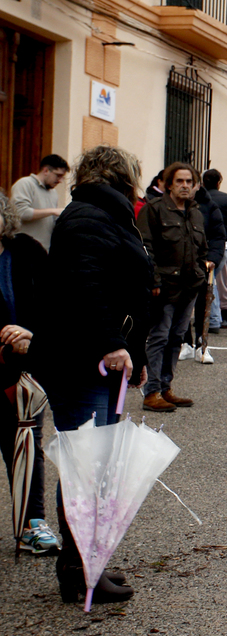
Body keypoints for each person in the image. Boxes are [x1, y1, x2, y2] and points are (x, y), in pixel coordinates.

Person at [36, 145, 152, 604]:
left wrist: (135, 354)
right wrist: (113, 344)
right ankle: (78, 569)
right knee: (86, 465)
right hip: (81, 358)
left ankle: (88, 560)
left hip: (97, 359)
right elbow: (88, 285)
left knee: (95, 464)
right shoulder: (89, 217)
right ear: (124, 176)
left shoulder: (105, 214)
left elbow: (126, 291)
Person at [0, 192, 58, 555]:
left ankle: (30, 523)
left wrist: (30, 332)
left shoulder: (25, 251)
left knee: (23, 445)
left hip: (17, 376)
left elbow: (53, 303)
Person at [137, 162, 208, 412]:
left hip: (189, 287)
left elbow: (202, 248)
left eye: (189, 181)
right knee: (159, 337)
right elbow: (145, 248)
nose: (185, 186)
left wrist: (202, 271)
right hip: (164, 286)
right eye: (180, 181)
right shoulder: (154, 210)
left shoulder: (195, 212)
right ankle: (152, 391)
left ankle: (166, 387)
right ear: (168, 184)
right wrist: (154, 280)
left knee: (176, 338)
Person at [183, 179, 226, 364]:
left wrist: (213, 259)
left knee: (203, 304)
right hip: (179, 264)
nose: (186, 186)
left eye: (190, 182)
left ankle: (202, 344)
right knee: (181, 305)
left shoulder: (210, 206)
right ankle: (185, 343)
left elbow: (218, 235)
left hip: (202, 264)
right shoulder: (170, 206)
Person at [202, 169, 227, 331]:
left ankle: (214, 318)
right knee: (220, 281)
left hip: (205, 245)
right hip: (224, 245)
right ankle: (220, 317)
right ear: (219, 182)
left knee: (210, 281)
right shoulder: (226, 198)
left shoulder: (200, 199)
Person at [10, 154, 68, 251]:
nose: (60, 180)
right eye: (58, 175)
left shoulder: (53, 193)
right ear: (46, 170)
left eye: (62, 177)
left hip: (44, 251)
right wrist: (53, 211)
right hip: (24, 250)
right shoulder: (25, 184)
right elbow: (20, 213)